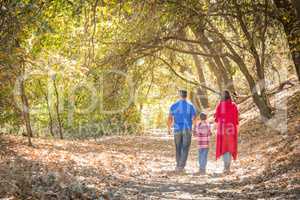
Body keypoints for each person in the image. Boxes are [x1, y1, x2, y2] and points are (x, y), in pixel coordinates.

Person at [167, 90, 197, 172]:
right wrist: (194, 128)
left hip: (177, 129)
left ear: (179, 96)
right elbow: (194, 118)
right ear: (186, 96)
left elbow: (170, 118)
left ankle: (178, 165)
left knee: (178, 147)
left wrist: (169, 128)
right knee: (185, 147)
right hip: (187, 129)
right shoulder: (190, 106)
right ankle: (181, 166)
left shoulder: (174, 105)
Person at [214, 90, 239, 174]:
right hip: (231, 129)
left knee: (224, 147)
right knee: (230, 147)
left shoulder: (220, 105)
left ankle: (226, 167)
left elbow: (216, 118)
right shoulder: (233, 105)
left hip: (222, 129)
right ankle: (227, 167)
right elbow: (236, 119)